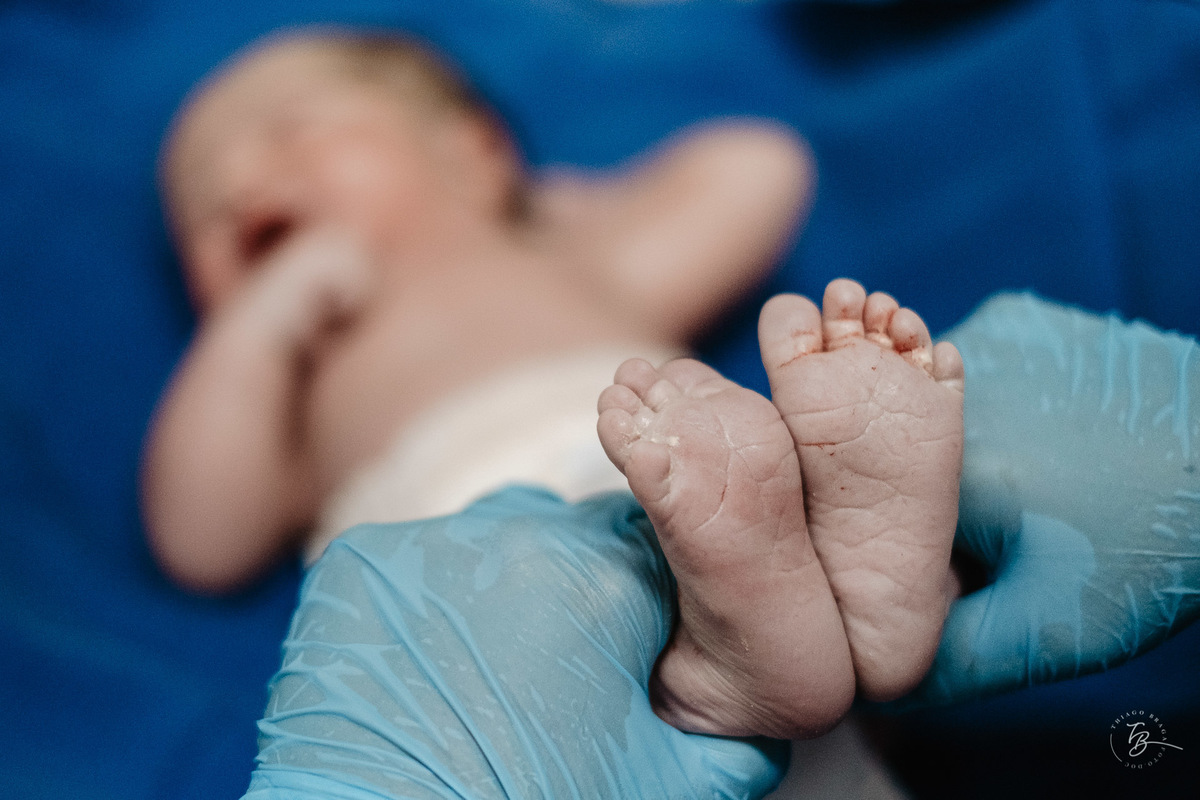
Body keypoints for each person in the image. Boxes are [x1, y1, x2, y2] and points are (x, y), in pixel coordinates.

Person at [142, 26, 966, 744]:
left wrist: (560, 206)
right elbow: (203, 542)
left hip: (642, 458)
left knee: (718, 522)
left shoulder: (569, 265)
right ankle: (825, 637)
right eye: (205, 208)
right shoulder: (287, 384)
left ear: (472, 153)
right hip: (441, 557)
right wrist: (253, 332)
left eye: (292, 132)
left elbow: (760, 168)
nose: (243, 183)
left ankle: (847, 598)